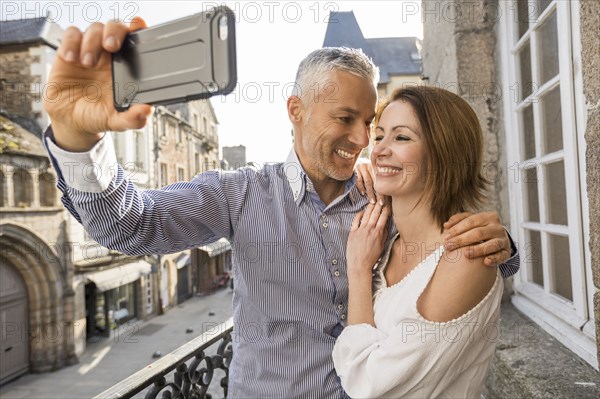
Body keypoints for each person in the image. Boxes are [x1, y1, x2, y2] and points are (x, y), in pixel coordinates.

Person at [42, 18, 518, 398]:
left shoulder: (385, 195)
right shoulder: (238, 195)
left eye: (368, 121)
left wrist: (502, 245)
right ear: (296, 111)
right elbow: (130, 225)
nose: (361, 140)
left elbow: (440, 265)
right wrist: (78, 140)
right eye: (344, 118)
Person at [333, 86, 505, 398]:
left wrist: (358, 270)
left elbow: (369, 385)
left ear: (444, 154)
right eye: (380, 136)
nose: (380, 150)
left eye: (401, 137)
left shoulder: (464, 258)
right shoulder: (385, 244)